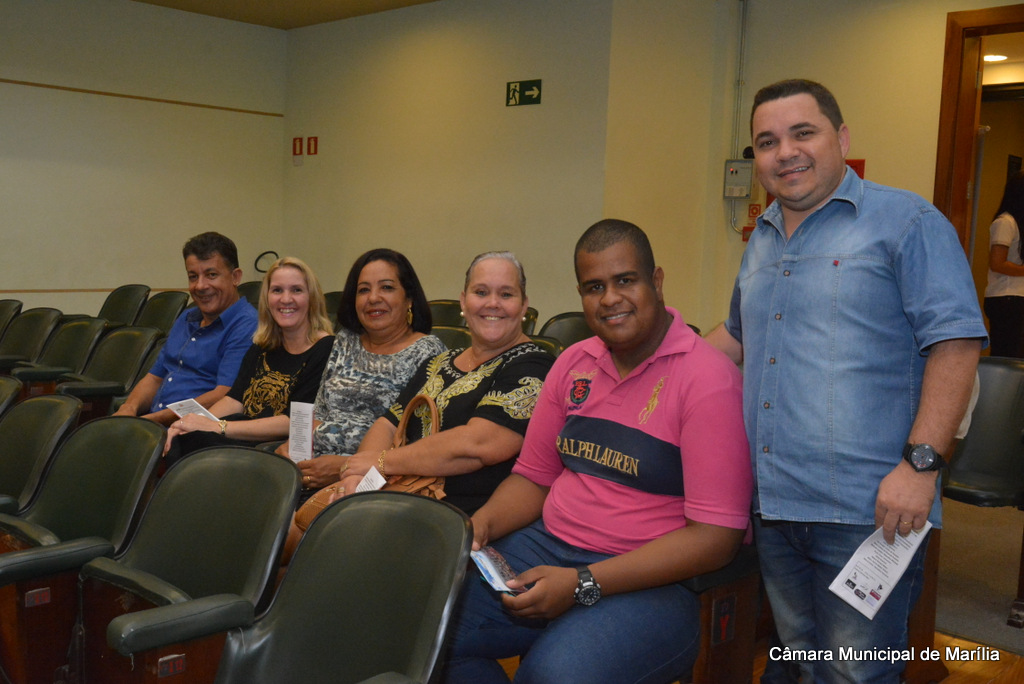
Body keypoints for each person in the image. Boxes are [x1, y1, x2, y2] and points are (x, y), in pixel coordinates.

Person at [705, 79, 987, 683]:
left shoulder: (907, 221)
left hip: (871, 510)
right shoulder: (762, 237)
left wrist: (920, 467)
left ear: (841, 137)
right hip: (774, 503)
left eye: (802, 133)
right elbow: (734, 338)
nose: (785, 152)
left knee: (855, 674)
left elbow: (958, 345)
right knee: (801, 659)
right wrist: (650, 364)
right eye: (766, 142)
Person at [440, 222, 752, 684]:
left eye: (625, 280)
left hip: (652, 582)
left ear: (657, 281)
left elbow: (716, 539)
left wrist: (583, 582)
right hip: (547, 546)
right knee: (424, 631)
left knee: (552, 676)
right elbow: (533, 479)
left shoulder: (708, 379)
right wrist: (477, 526)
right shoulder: (574, 362)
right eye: (594, 287)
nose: (610, 299)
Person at [339, 251, 555, 515]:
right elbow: (388, 424)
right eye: (481, 292)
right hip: (398, 498)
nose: (493, 303)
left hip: (458, 516)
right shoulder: (439, 362)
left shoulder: (534, 365)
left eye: (506, 294)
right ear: (464, 301)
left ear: (523, 306)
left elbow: (478, 445)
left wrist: (381, 462)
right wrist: (358, 477)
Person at [276, 248, 445, 497]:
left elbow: (416, 443)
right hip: (311, 466)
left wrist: (344, 467)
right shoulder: (345, 341)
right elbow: (321, 413)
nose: (373, 298)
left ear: (409, 298)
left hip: (371, 483)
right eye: (363, 290)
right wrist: (293, 445)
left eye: (386, 287)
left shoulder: (429, 352)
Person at [162, 256, 334, 466]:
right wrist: (193, 422)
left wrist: (218, 427)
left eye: (297, 290)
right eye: (277, 290)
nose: (286, 299)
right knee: (183, 436)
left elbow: (294, 422)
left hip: (273, 449)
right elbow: (235, 399)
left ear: (312, 298)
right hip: (241, 435)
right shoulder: (262, 345)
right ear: (267, 298)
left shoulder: (326, 348)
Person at [116, 232, 258, 426]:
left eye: (211, 275)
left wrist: (149, 421)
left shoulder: (247, 325)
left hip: (191, 431)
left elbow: (224, 394)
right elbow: (155, 377)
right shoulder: (186, 317)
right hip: (154, 422)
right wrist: (128, 409)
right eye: (193, 277)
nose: (200, 286)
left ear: (235, 277)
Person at [984, 170, 1024, 358]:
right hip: (1006, 299)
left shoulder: (1018, 223)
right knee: (1007, 356)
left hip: (1016, 298)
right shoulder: (1005, 222)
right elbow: (997, 263)